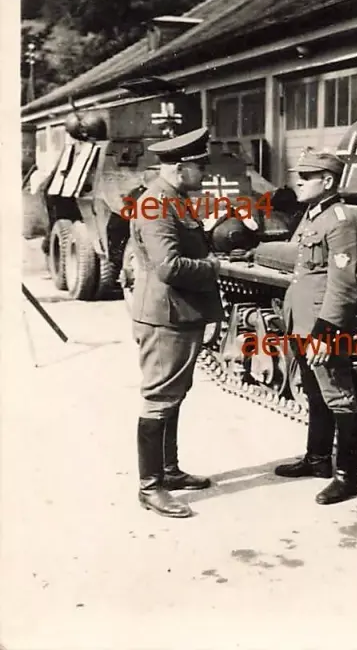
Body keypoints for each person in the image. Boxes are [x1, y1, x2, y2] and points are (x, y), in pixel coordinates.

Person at [129, 127, 224, 519]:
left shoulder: (176, 199)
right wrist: (213, 267)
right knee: (159, 398)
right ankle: (151, 487)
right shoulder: (156, 204)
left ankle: (168, 471)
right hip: (166, 315)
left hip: (181, 313)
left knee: (175, 394)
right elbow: (169, 266)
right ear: (181, 168)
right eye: (199, 167)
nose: (204, 174)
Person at [275, 150, 357, 505]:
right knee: (315, 394)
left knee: (339, 397)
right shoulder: (314, 216)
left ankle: (347, 476)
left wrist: (326, 333)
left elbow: (343, 285)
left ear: (327, 182)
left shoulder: (340, 221)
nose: (298, 180)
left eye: (307, 176)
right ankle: (317, 460)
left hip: (324, 325)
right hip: (303, 321)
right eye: (299, 174)